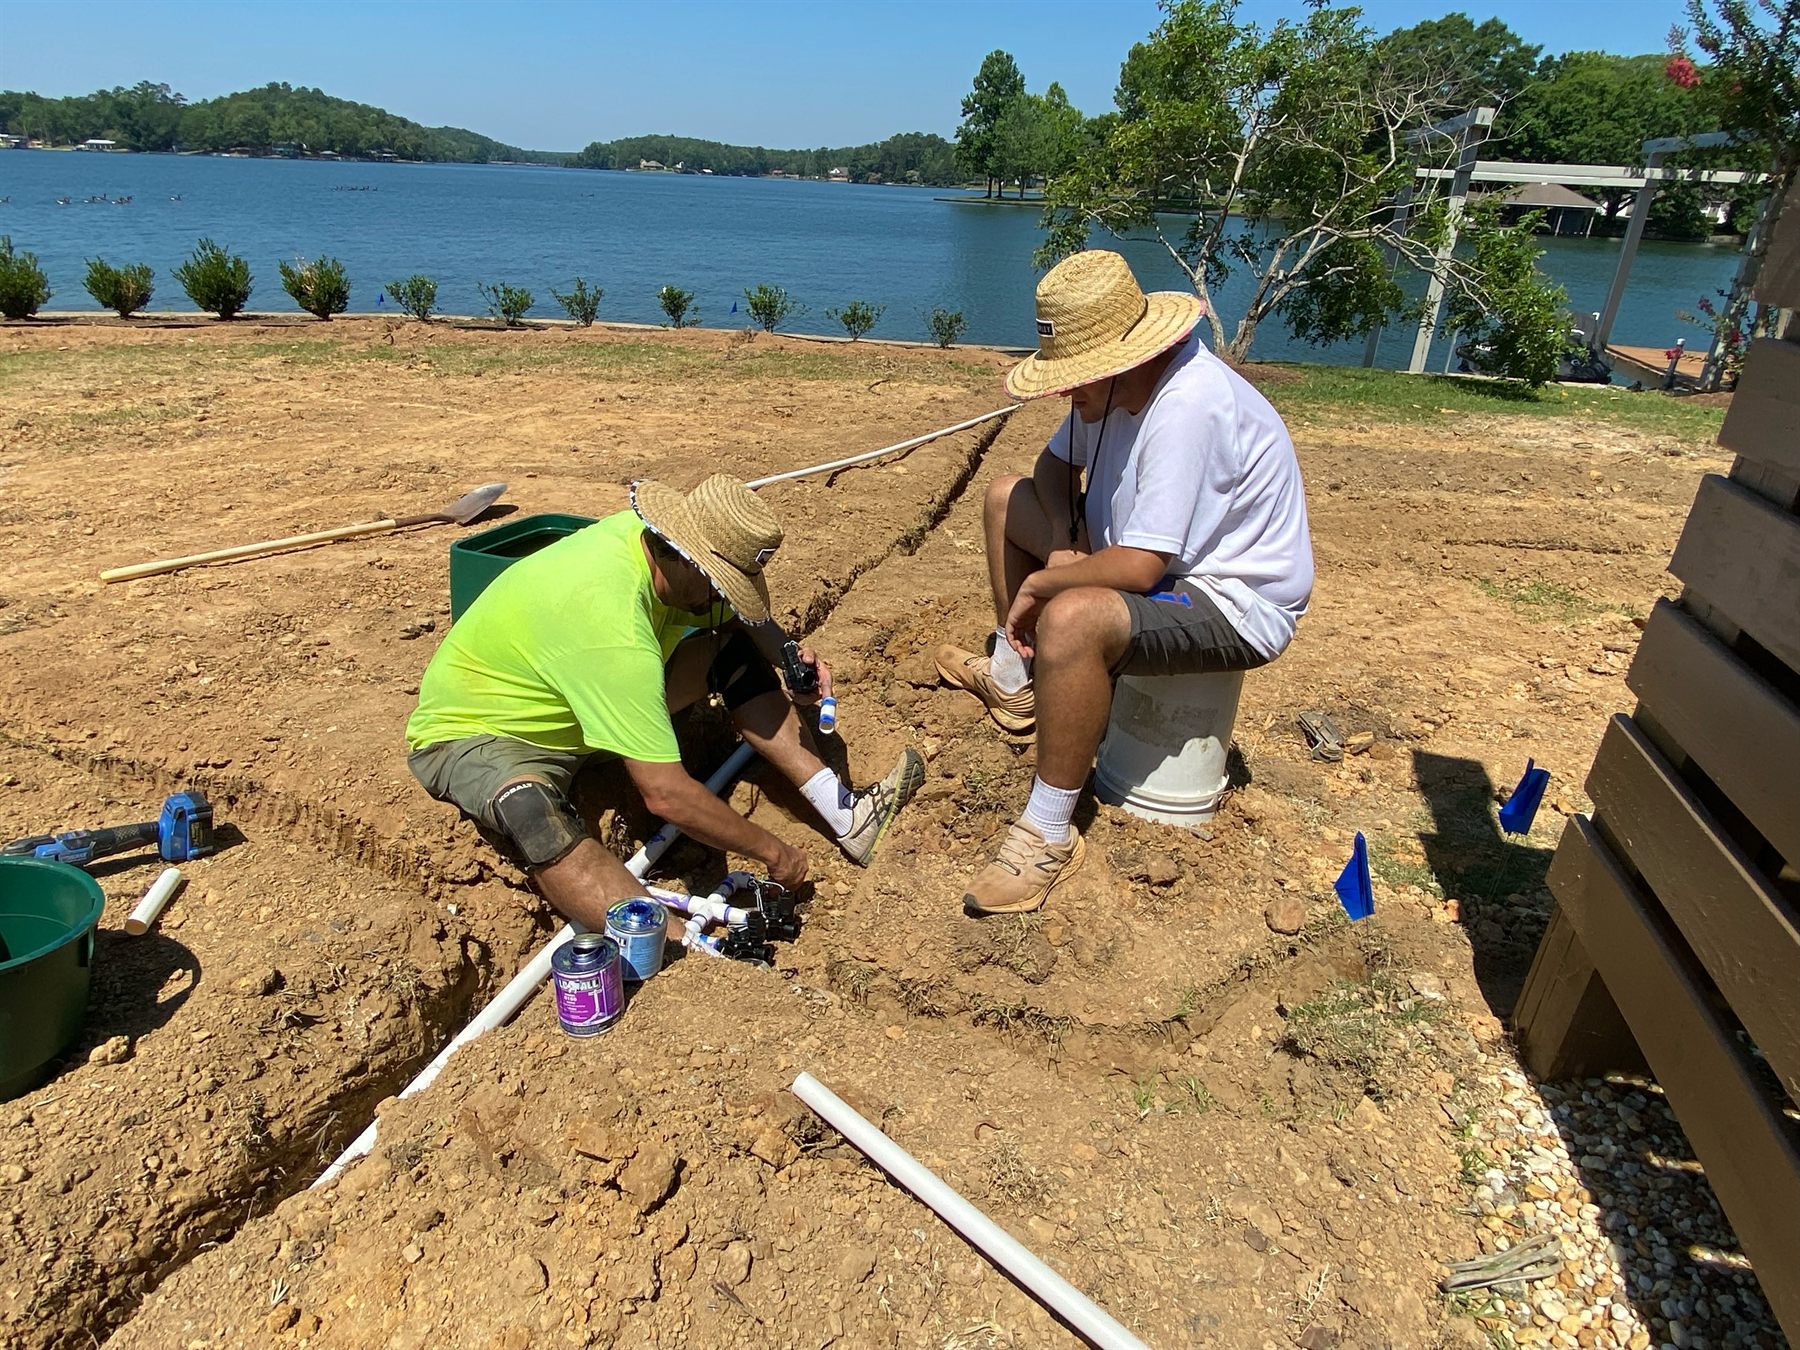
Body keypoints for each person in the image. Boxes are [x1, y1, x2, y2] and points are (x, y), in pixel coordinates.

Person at [937, 249, 1313, 917]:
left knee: (1072, 617)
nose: (1065, 394)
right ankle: (1016, 681)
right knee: (1004, 498)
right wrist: (1061, 543)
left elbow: (1140, 568)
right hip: (1159, 566)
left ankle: (1049, 830)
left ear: (1121, 361)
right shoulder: (1115, 393)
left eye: (1076, 381)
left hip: (1229, 600)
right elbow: (1050, 471)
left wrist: (1049, 587)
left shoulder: (1186, 404)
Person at [406, 474, 924, 931]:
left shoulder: (650, 551)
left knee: (732, 645)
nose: (723, 601)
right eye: (723, 587)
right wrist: (775, 852)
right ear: (686, 556)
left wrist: (788, 657)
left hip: (576, 707)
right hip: (483, 734)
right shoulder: (612, 629)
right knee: (534, 816)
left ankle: (844, 815)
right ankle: (675, 952)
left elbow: (744, 621)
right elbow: (667, 797)